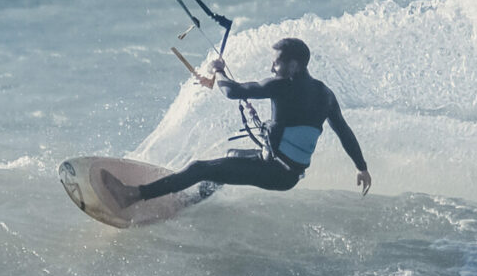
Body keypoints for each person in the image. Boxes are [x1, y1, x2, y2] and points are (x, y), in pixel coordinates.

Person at [100, 37, 371, 208]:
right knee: (229, 158)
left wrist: (217, 71)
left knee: (199, 167)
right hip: (287, 172)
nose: (271, 68)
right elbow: (344, 132)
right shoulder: (326, 94)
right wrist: (362, 167)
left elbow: (233, 92)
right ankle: (191, 202)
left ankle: (132, 196)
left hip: (274, 170)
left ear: (295, 65)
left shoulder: (282, 86)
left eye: (276, 63)